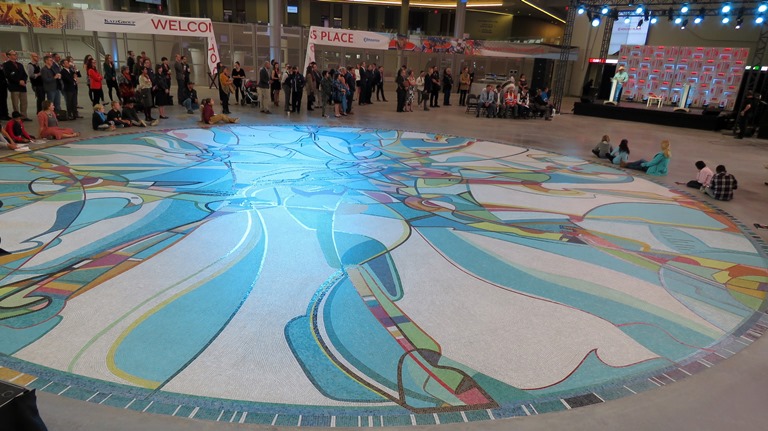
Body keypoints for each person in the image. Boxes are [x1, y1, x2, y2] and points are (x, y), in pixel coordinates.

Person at [3, 50, 29, 121]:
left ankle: (24, 116)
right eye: (13, 54)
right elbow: (8, 75)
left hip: (22, 86)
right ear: (9, 56)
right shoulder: (6, 65)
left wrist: (24, 80)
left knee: (24, 102)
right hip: (14, 86)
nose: (15, 56)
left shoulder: (20, 64)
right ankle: (17, 116)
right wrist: (18, 81)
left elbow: (25, 74)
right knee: (15, 103)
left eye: (15, 54)